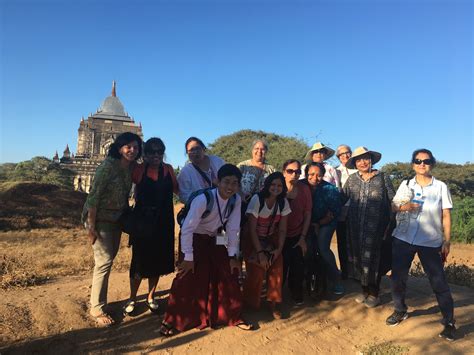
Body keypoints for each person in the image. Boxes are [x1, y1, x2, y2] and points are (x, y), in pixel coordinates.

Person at [160, 164, 253, 335]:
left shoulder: (235, 200)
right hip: (194, 237)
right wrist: (188, 257)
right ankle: (173, 320)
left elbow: (232, 229)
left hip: (215, 237)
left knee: (227, 271)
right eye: (226, 182)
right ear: (217, 181)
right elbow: (187, 229)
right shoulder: (203, 199)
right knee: (188, 276)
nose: (230, 187)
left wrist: (232, 255)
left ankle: (232, 315)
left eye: (234, 183)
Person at [386, 149, 455, 341]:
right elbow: (393, 206)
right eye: (418, 161)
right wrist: (404, 207)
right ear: (413, 164)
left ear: (432, 163)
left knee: (438, 281)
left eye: (426, 161)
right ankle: (400, 310)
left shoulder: (440, 187)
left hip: (430, 241)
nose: (422, 164)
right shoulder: (405, 184)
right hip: (403, 238)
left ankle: (449, 322)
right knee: (398, 278)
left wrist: (447, 240)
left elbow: (446, 215)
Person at [83, 132, 142, 326]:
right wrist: (91, 229)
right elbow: (93, 198)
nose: (132, 150)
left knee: (107, 260)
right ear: (119, 148)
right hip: (99, 218)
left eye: (135, 147)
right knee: (104, 261)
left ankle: (96, 298)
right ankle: (97, 308)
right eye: (128, 146)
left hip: (117, 218)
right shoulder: (107, 167)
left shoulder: (131, 168)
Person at [122, 138, 178, 316]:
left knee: (158, 260)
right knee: (139, 260)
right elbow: (125, 189)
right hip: (143, 220)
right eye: (151, 151)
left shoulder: (168, 169)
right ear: (145, 153)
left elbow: (179, 190)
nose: (156, 155)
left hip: (164, 221)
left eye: (159, 151)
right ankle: (132, 298)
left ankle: (151, 297)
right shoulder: (139, 169)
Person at [342, 147, 395, 308]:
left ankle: (374, 293)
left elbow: (394, 201)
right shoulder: (351, 180)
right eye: (359, 160)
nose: (363, 162)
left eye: (366, 158)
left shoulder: (383, 178)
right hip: (355, 227)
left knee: (374, 260)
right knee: (358, 258)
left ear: (371, 160)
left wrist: (392, 224)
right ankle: (364, 290)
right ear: (355, 163)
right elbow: (341, 197)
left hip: (377, 228)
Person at [241, 172, 291, 319]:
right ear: (267, 185)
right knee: (256, 271)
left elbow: (282, 229)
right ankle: (251, 302)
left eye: (280, 185)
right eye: (273, 184)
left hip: (270, 240)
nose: (276, 188)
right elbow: (251, 228)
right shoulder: (258, 199)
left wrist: (279, 250)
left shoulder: (283, 202)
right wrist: (260, 253)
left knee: (277, 268)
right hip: (252, 240)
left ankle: (273, 303)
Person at [305, 162, 343, 295]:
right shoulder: (302, 186)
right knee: (307, 248)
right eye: (311, 174)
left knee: (323, 247)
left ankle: (336, 278)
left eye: (319, 175)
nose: (315, 178)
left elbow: (334, 211)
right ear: (306, 174)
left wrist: (320, 223)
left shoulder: (329, 188)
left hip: (326, 222)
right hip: (307, 223)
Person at [282, 159, 312, 305]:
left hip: (297, 234)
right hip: (279, 236)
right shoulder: (277, 187)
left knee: (297, 266)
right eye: (290, 171)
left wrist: (303, 237)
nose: (294, 174)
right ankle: (275, 296)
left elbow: (307, 213)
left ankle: (296, 293)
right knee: (280, 266)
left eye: (298, 171)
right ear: (284, 172)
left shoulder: (304, 189)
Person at [177, 136, 225, 203]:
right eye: (191, 150)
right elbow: (183, 196)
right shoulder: (185, 172)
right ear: (187, 153)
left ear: (203, 148)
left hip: (223, 205)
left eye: (197, 148)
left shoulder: (217, 161)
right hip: (202, 211)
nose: (195, 152)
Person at [335, 144, 357, 279]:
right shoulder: (335, 171)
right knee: (342, 241)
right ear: (338, 157)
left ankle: (357, 272)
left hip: (357, 210)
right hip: (341, 210)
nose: (345, 156)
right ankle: (345, 271)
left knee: (356, 241)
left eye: (347, 153)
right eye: (341, 154)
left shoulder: (359, 169)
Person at [237, 139, 276, 207]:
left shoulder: (271, 169)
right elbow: (233, 183)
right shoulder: (242, 166)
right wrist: (241, 195)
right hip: (243, 203)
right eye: (256, 148)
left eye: (262, 149)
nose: (259, 151)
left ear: (266, 151)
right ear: (252, 150)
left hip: (263, 206)